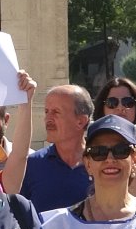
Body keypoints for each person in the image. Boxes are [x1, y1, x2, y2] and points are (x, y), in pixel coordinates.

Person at [20, 85, 93, 213]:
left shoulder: (101, 163)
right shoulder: (32, 165)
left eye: (56, 112)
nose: (48, 118)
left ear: (81, 121)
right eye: (46, 111)